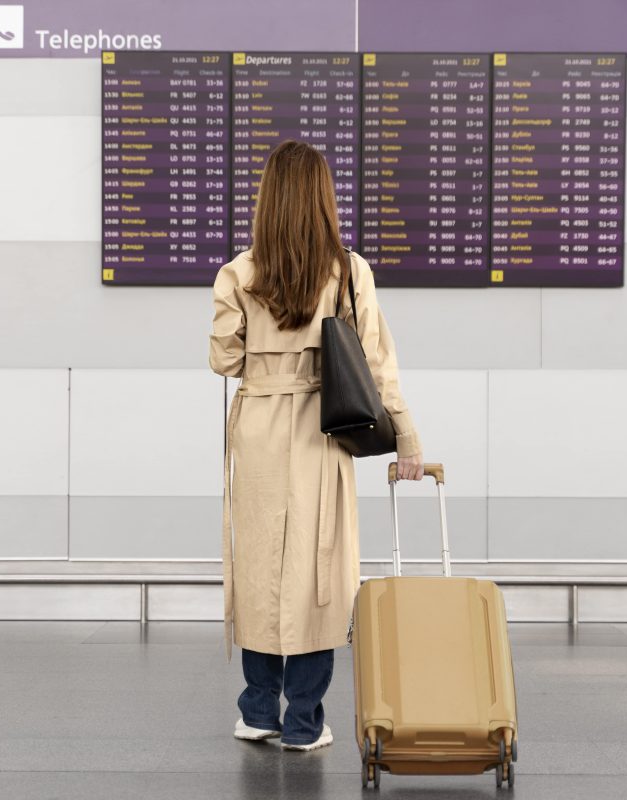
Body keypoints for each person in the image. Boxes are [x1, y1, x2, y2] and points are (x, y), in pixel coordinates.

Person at [208, 140, 423, 751]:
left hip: (257, 428)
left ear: (268, 199)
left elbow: (223, 361)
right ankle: (304, 720)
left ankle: (257, 710)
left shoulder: (238, 273)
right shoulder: (350, 271)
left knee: (256, 564)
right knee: (318, 567)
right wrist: (406, 436)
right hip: (319, 427)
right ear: (324, 197)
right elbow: (378, 367)